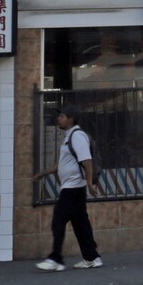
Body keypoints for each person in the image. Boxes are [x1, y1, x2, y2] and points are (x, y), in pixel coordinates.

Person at [38, 109, 103, 271]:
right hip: (74, 188)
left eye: (62, 116)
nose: (58, 119)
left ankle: (56, 259)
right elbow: (62, 164)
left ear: (71, 119)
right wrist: (43, 173)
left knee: (58, 221)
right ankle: (92, 257)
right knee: (81, 224)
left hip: (73, 188)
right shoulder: (69, 136)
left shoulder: (77, 136)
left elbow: (86, 160)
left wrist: (89, 183)